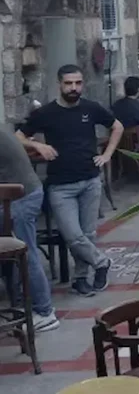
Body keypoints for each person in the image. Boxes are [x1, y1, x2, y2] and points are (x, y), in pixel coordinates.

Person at [17, 64, 124, 297]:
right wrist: (38, 144)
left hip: (90, 180)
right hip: (60, 185)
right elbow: (18, 137)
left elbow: (117, 126)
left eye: (77, 83)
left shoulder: (91, 108)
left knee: (87, 235)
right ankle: (102, 262)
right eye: (68, 83)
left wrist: (107, 155)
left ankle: (80, 279)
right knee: (73, 235)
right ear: (59, 84)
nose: (74, 88)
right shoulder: (45, 113)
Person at [0, 125, 59, 331]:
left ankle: (44, 312)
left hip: (19, 199)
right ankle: (19, 300)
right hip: (25, 193)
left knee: (26, 253)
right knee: (22, 253)